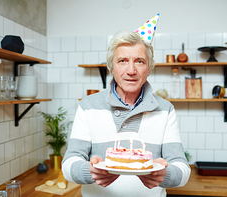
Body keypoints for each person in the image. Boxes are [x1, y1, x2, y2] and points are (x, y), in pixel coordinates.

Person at [62, 30, 190, 196]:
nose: (131, 70)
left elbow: (182, 169)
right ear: (111, 67)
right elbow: (68, 166)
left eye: (139, 61)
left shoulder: (165, 109)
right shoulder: (88, 106)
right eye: (122, 61)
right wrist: (91, 171)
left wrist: (164, 174)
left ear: (149, 68)